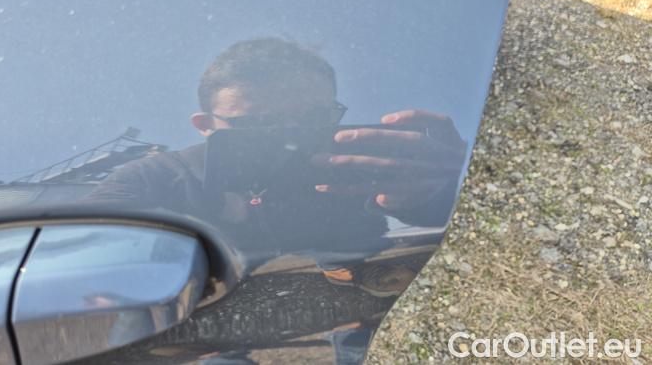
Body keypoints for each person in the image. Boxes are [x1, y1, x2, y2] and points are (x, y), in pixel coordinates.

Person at [84, 37, 466, 277]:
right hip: (207, 333)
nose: (289, 138)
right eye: (258, 124)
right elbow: (83, 253)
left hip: (363, 309)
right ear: (205, 125)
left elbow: (454, 228)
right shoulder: (151, 178)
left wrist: (432, 195)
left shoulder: (362, 160)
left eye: (314, 119)